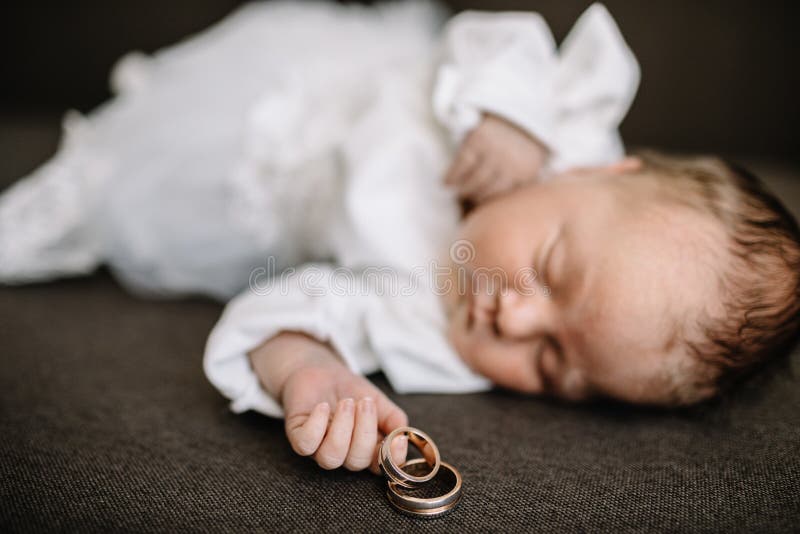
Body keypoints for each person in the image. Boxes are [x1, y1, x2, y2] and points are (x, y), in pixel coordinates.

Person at [1, 2, 797, 474]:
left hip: (250, 182)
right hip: (321, 74)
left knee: (111, 195)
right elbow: (498, 33)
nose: (513, 322)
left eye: (555, 367)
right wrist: (510, 115)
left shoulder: (437, 332)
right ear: (604, 174)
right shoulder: (562, 123)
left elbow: (298, 303)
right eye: (552, 269)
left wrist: (311, 368)